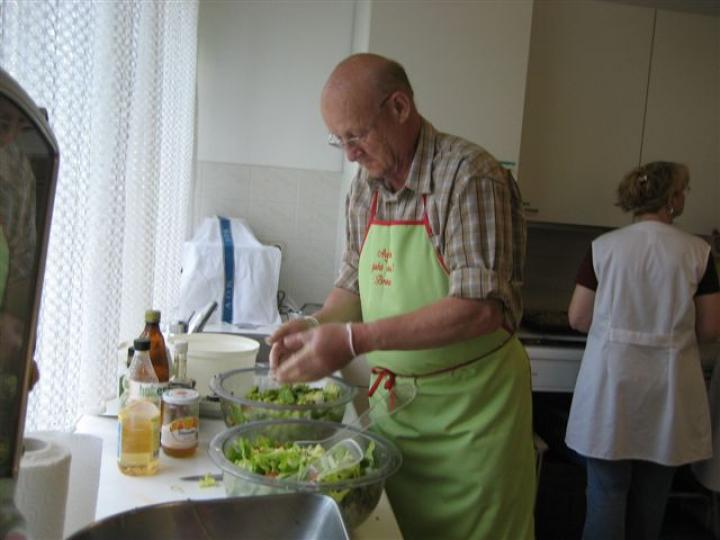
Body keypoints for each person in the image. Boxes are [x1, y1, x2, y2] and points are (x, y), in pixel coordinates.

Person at [268, 53, 535, 539]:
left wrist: (353, 340)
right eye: (339, 140)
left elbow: (479, 310)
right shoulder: (365, 188)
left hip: (473, 424)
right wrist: (316, 326)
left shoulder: (469, 177)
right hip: (398, 418)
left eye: (356, 135)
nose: (350, 154)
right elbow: (353, 281)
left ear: (399, 107)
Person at [565, 161, 720, 540]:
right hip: (668, 394)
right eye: (683, 190)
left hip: (611, 389)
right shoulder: (699, 253)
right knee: (651, 498)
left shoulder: (604, 248)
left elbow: (578, 318)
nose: (684, 197)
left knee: (606, 493)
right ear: (671, 198)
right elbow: (710, 328)